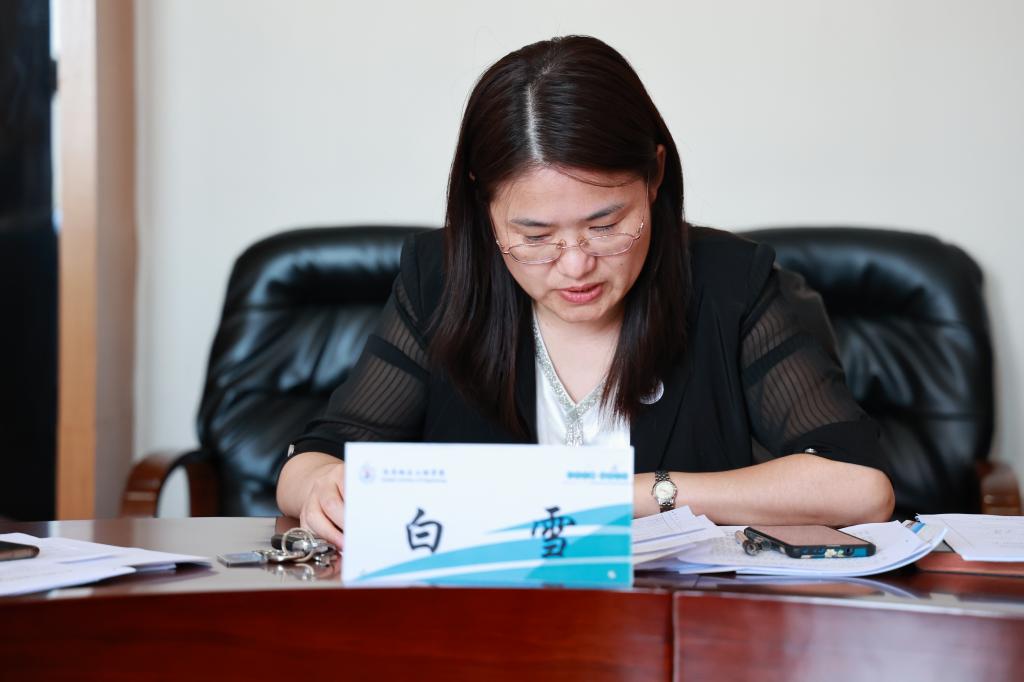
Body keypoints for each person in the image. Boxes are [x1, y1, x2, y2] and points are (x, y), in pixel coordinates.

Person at [276, 36, 894, 548]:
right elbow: (312, 460)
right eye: (535, 235)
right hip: (482, 622)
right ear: (483, 206)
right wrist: (323, 484)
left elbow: (859, 486)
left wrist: (637, 494)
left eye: (605, 226)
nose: (575, 265)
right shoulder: (437, 280)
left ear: (654, 176)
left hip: (681, 627)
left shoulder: (728, 281)